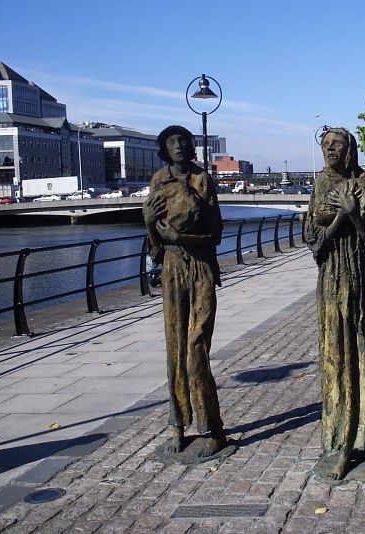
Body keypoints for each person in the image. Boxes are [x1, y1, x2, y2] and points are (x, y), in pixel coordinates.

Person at [304, 127, 365, 480]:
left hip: (363, 278)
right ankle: (339, 440)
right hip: (332, 279)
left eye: (337, 144)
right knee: (336, 357)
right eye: (326, 145)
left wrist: (354, 214)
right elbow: (315, 244)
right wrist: (342, 218)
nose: (330, 150)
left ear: (350, 149)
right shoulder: (319, 185)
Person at [142, 125, 228, 457]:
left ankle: (211, 427)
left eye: (183, 140)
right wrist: (150, 224)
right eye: (171, 141)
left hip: (201, 268)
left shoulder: (202, 179)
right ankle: (178, 424)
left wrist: (182, 239)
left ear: (190, 146)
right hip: (172, 269)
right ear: (164, 148)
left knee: (196, 350)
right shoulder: (158, 181)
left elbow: (215, 234)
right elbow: (156, 245)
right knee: (175, 349)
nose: (178, 145)